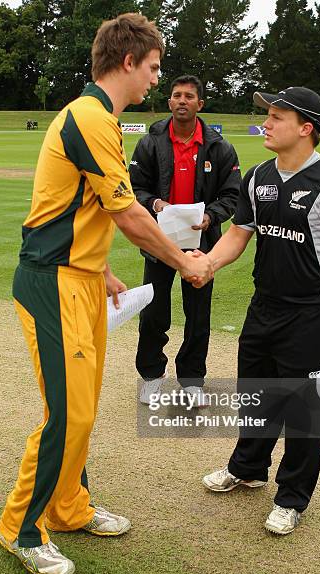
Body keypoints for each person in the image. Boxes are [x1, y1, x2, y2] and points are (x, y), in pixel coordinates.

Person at [0, 13, 213, 574]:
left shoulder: (103, 121)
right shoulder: (90, 118)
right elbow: (129, 214)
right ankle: (20, 527)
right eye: (153, 68)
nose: (156, 81)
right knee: (66, 415)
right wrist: (183, 260)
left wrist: (104, 269)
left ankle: (68, 508)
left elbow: (82, 208)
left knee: (82, 413)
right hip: (51, 284)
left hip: (83, 279)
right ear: (127, 62)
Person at [198, 86, 320, 534]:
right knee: (255, 394)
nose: (267, 123)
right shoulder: (257, 176)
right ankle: (248, 467)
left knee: (305, 409)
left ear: (306, 128)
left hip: (313, 313)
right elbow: (239, 233)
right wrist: (209, 263)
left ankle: (292, 497)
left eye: (277, 117)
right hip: (264, 307)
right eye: (268, 116)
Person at [129, 75, 241, 406]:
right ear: (169, 102)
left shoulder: (219, 146)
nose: (182, 100)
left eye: (189, 96)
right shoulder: (151, 141)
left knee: (198, 315)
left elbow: (232, 195)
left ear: (199, 104)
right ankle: (151, 376)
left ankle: (192, 381)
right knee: (153, 313)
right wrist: (154, 204)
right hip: (159, 242)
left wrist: (210, 216)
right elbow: (135, 187)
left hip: (201, 245)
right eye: (176, 95)